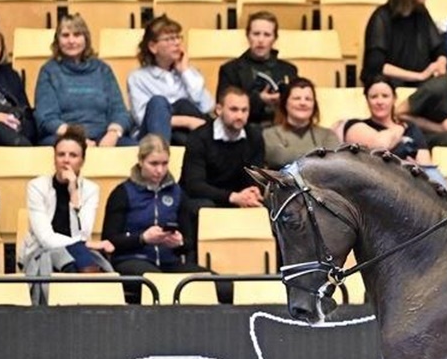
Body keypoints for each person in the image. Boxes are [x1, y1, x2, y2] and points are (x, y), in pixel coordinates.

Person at [101, 135, 208, 302]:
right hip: (132, 259)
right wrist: (142, 238)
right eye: (154, 164)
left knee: (217, 285)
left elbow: (189, 242)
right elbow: (109, 239)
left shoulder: (177, 193)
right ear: (141, 161)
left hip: (170, 261)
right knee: (159, 284)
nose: (160, 170)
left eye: (164, 164)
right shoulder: (122, 192)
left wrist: (179, 242)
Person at [19, 127, 115, 302]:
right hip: (42, 251)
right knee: (73, 263)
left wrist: (74, 194)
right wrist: (85, 244)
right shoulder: (37, 186)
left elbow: (83, 233)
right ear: (54, 158)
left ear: (82, 161)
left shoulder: (91, 190)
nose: (66, 160)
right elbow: (45, 239)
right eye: (61, 154)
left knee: (100, 267)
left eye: (73, 155)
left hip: (79, 249)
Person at [180, 87, 266, 246]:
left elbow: (256, 174)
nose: (240, 116)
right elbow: (194, 185)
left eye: (244, 110)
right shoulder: (199, 137)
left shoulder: (254, 136)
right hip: (207, 197)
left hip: (240, 196)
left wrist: (254, 190)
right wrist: (233, 197)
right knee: (202, 207)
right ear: (219, 109)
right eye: (234, 109)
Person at [33, 14, 134, 147]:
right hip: (65, 137)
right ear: (57, 40)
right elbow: (47, 118)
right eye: (65, 35)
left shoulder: (102, 69)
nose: (71, 41)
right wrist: (78, 140)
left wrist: (113, 133)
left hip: (104, 137)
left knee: (135, 149)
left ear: (86, 38)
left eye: (77, 35)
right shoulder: (49, 71)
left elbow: (119, 111)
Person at [128, 15, 215, 146]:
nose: (177, 43)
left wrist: (185, 71)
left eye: (178, 37)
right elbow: (143, 119)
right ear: (152, 47)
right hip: (152, 137)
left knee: (184, 106)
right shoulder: (138, 78)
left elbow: (207, 107)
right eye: (169, 39)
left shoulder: (189, 72)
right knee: (160, 103)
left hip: (189, 133)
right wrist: (187, 121)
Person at [342, 78, 446, 186]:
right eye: (374, 97)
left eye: (385, 96)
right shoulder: (357, 125)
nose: (380, 102)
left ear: (394, 98)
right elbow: (380, 145)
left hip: (413, 181)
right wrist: (400, 128)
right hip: (378, 180)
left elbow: (424, 163)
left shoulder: (411, 128)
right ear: (367, 100)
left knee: (432, 173)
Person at [361, 0, 447, 87]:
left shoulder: (421, 12)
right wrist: (419, 76)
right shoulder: (381, 17)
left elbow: (438, 48)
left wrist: (441, 62)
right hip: (392, 84)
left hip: (422, 83)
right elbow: (376, 65)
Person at [216, 11, 299, 127]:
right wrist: (259, 100)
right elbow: (225, 108)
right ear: (248, 36)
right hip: (243, 129)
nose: (261, 40)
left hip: (281, 129)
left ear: (275, 38)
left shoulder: (289, 70)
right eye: (256, 34)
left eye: (267, 35)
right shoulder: (230, 70)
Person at [262, 78, 342, 168]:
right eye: (297, 98)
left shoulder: (327, 135)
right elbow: (279, 158)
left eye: (308, 99)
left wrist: (289, 154)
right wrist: (319, 155)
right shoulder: (269, 134)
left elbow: (334, 162)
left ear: (314, 105)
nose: (303, 103)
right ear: (285, 103)